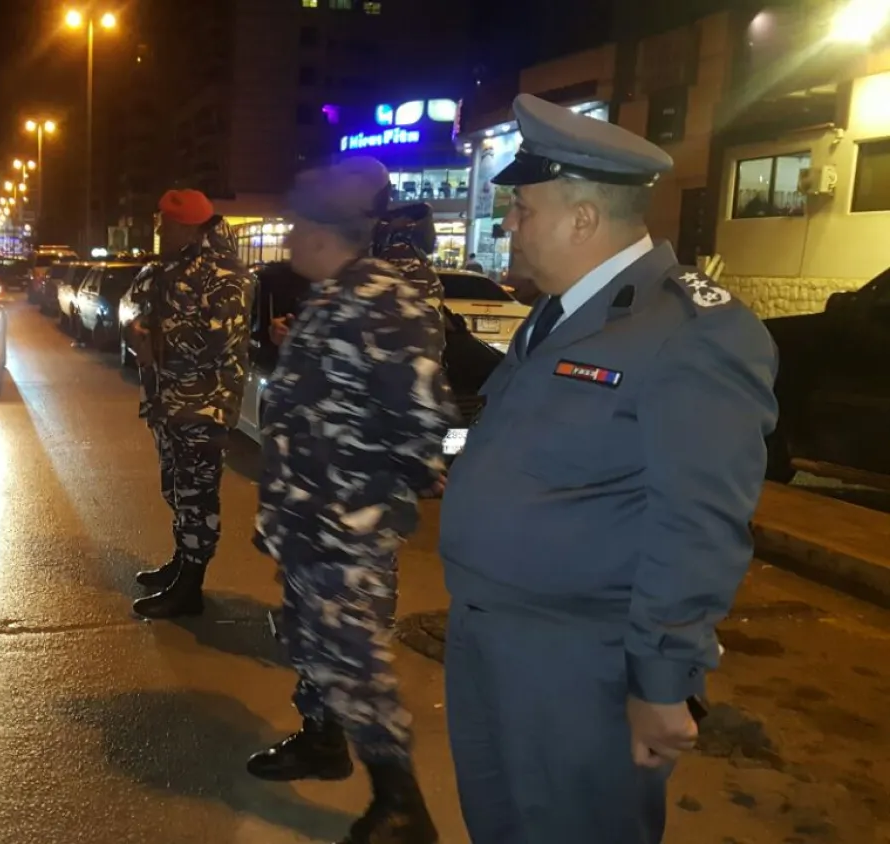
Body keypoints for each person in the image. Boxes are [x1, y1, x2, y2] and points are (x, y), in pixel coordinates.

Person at [438, 94, 779, 843]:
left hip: (576, 663)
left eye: (523, 209)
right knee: (500, 824)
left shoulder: (693, 332)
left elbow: (699, 523)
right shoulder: (560, 312)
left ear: (582, 218)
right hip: (489, 636)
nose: (509, 226)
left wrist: (664, 681)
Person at [250, 157, 454, 844]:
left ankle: (403, 807)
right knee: (315, 643)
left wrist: (376, 488)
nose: (286, 239)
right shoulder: (335, 295)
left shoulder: (380, 298)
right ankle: (322, 743)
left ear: (319, 230)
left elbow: (425, 419)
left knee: (357, 656)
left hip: (344, 524)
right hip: (308, 520)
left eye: (293, 225)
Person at [127, 189, 253, 619]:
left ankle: (191, 588)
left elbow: (222, 339)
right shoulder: (170, 266)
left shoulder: (224, 274)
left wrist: (154, 338)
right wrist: (138, 327)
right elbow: (137, 304)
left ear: (188, 227)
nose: (160, 229)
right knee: (177, 489)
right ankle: (183, 563)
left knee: (198, 496)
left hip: (203, 405)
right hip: (170, 402)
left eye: (167, 223)